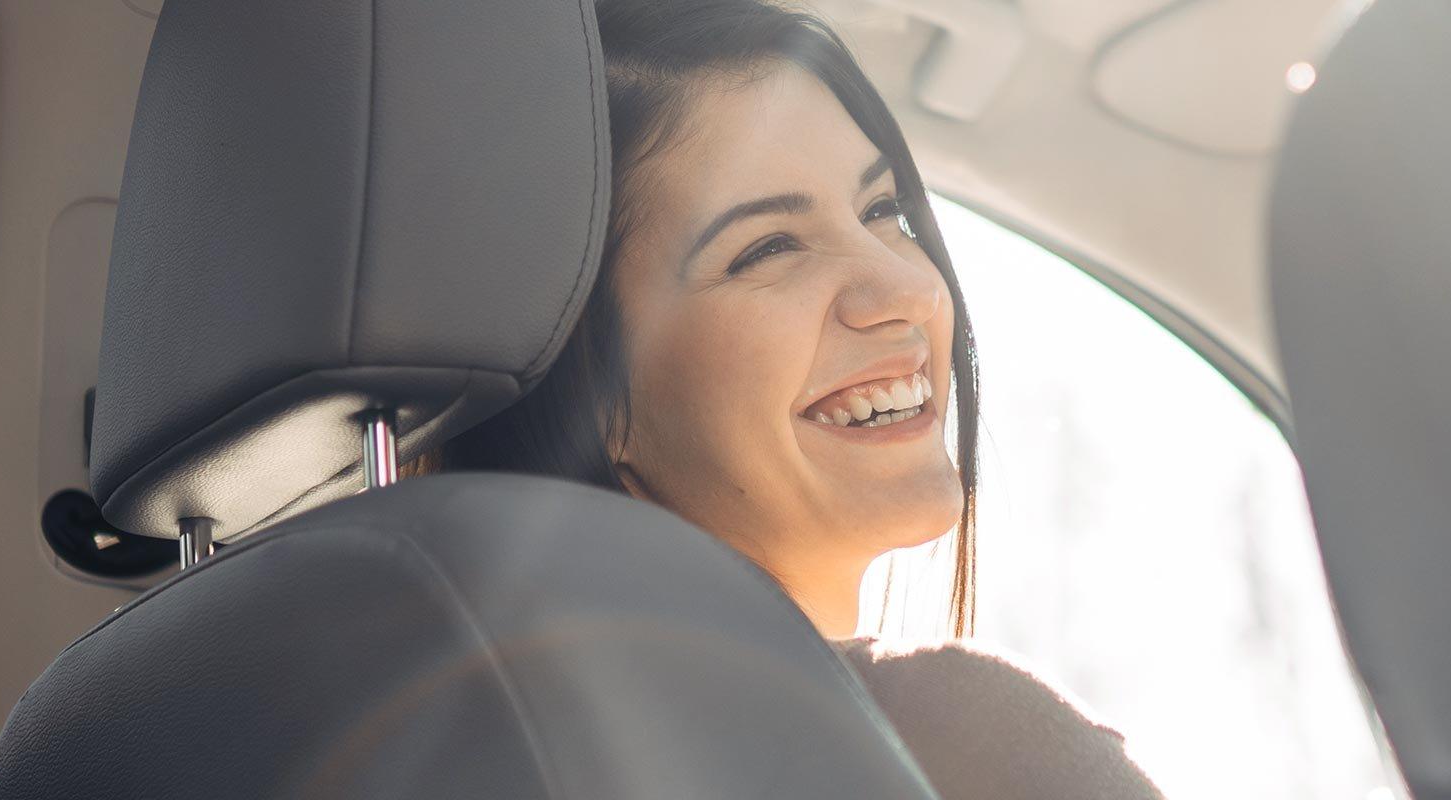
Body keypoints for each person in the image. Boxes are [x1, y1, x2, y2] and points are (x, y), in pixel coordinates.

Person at [434, 0, 1161, 796]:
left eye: (884, 210)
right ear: (587, 394)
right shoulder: (952, 741)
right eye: (769, 248)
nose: (908, 288)